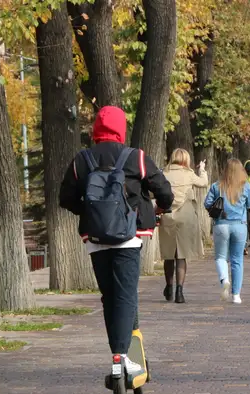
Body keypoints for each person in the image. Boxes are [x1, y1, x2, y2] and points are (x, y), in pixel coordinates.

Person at [59, 105, 173, 375]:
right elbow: (164, 191)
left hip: (95, 238)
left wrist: (89, 211)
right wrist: (159, 209)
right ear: (122, 129)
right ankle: (122, 358)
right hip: (128, 237)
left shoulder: (81, 160)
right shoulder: (136, 158)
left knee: (109, 296)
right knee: (125, 295)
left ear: (95, 130)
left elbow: (65, 199)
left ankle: (119, 354)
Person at [158, 149, 209, 304]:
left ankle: (169, 287)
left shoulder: (163, 174)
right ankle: (180, 291)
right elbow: (203, 183)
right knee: (181, 255)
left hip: (167, 216)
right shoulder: (189, 174)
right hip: (185, 217)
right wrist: (202, 170)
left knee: (169, 254)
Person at [204, 159, 250, 304]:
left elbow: (207, 203)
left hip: (221, 224)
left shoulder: (216, 186)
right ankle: (236, 295)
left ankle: (224, 279)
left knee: (220, 257)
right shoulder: (246, 186)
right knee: (237, 260)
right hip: (239, 225)